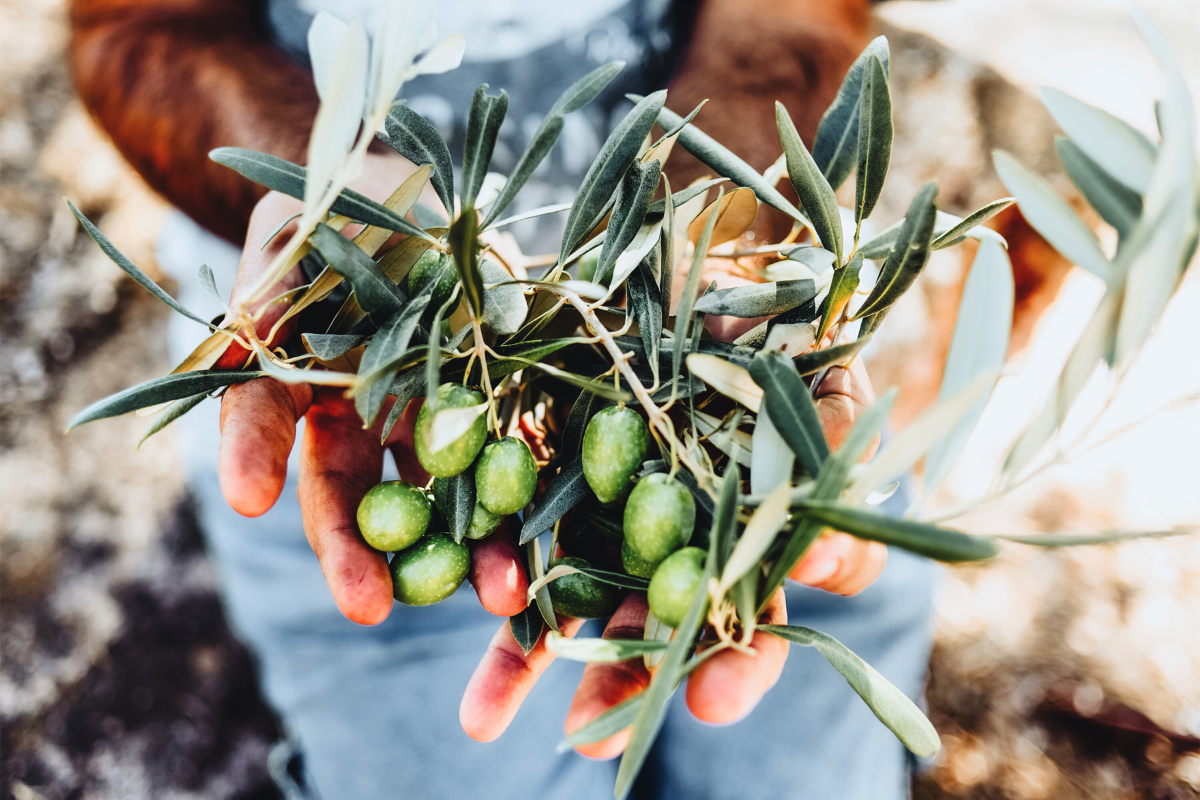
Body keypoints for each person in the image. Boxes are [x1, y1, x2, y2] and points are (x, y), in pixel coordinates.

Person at [69, 1, 940, 796]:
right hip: (357, 403)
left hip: (742, 400)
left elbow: (796, 15)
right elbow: (134, 27)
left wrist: (718, 230)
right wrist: (329, 199)